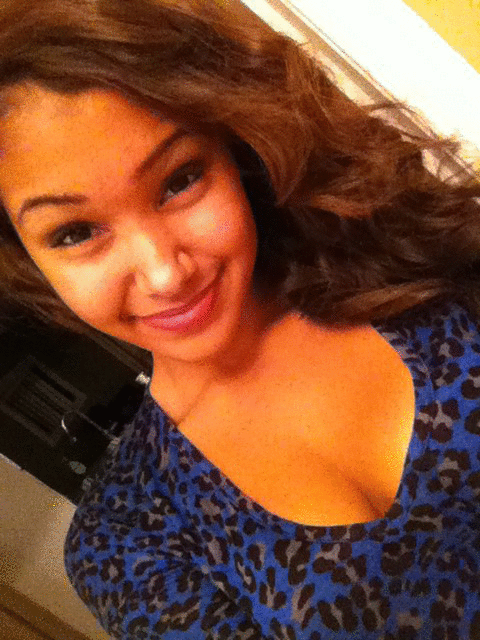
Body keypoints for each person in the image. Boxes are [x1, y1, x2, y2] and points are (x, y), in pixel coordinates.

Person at [0, 0, 479, 638]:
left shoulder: (407, 257)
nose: (165, 273)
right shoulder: (126, 538)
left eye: (179, 180)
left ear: (236, 151)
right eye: (76, 232)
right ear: (27, 260)